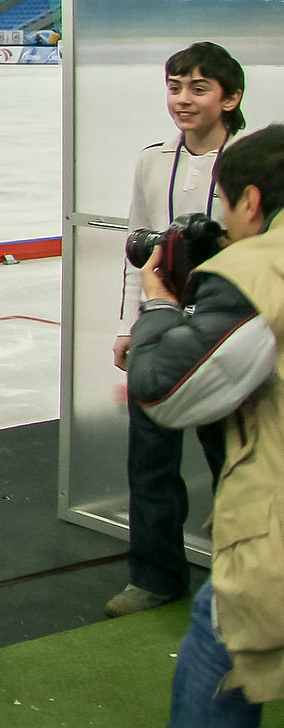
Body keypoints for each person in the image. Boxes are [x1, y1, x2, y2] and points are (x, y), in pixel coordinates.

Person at [128, 123, 284, 725]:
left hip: (271, 533)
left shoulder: (260, 269)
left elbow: (164, 391)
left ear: (251, 201)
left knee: (217, 648)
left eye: (225, 205)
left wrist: (161, 306)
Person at [108, 41, 246, 618]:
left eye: (198, 88)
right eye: (174, 87)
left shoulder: (251, 162)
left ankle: (245, 573)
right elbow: (136, 249)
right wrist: (128, 325)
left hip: (224, 325)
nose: (182, 99)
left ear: (230, 99)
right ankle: (156, 575)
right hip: (159, 322)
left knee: (231, 456)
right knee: (150, 458)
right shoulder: (151, 159)